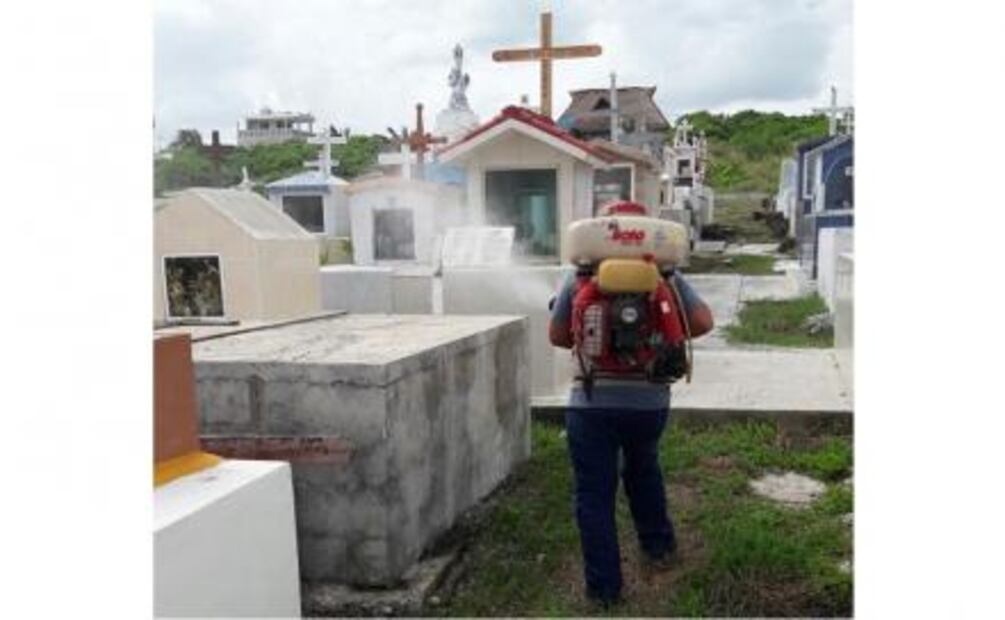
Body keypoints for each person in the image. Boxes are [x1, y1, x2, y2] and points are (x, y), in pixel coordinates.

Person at [548, 203, 714, 606]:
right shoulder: (666, 275)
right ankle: (657, 548)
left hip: (590, 404)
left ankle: (604, 591)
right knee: (644, 469)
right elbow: (704, 322)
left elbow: (557, 336)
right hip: (649, 403)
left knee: (594, 494)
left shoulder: (580, 276)